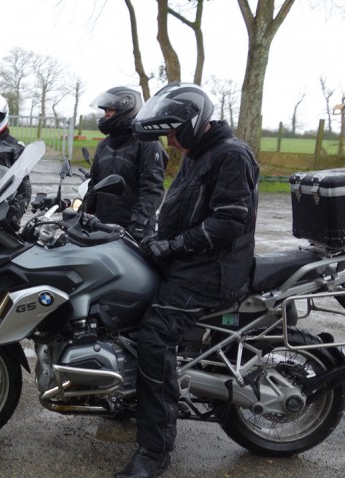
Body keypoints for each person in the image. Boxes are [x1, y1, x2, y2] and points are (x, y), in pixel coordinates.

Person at [117, 82, 259, 478]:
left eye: (174, 132)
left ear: (194, 123)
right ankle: (127, 396)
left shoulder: (230, 155)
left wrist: (172, 246)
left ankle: (154, 451)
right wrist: (148, 239)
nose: (171, 141)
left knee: (155, 336)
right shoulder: (201, 153)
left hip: (212, 270)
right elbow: (180, 211)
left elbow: (228, 223)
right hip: (191, 262)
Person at [83, 86, 167, 241]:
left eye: (111, 110)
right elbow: (94, 184)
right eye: (105, 110)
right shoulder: (104, 145)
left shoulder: (147, 144)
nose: (106, 114)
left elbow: (152, 190)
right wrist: (84, 212)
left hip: (133, 230)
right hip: (103, 226)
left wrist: (139, 223)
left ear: (127, 109)